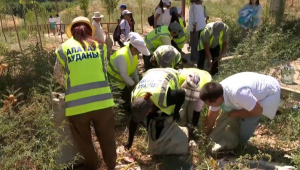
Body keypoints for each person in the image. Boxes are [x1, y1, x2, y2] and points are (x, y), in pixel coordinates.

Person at [55, 16, 116, 170]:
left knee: (84, 141)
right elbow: (104, 70)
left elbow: (57, 74)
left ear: (72, 30)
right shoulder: (99, 46)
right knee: (108, 139)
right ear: (90, 30)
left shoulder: (63, 48)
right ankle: (111, 166)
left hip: (77, 106)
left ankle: (92, 166)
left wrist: (70, 86)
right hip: (103, 103)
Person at [199, 72, 281, 147]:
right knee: (235, 113)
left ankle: (241, 146)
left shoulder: (238, 94)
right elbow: (211, 117)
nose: (209, 106)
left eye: (209, 104)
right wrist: (203, 136)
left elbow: (258, 110)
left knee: (247, 120)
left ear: (218, 99)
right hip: (252, 91)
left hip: (270, 92)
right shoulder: (216, 92)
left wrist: (237, 114)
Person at [124, 68, 186, 150]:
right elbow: (133, 121)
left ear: (150, 110)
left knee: (166, 115)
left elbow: (182, 93)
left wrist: (176, 112)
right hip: (151, 73)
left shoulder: (165, 97)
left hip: (169, 73)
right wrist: (129, 142)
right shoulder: (135, 98)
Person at [107, 32, 150, 113]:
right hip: (114, 83)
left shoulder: (133, 55)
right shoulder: (122, 56)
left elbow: (134, 69)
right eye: (139, 51)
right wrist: (133, 85)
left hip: (123, 82)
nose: (139, 53)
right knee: (125, 102)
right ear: (134, 48)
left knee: (131, 96)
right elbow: (124, 75)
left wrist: (138, 83)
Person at [178, 68, 212, 139]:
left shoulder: (204, 86)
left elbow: (197, 110)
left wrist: (193, 126)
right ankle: (180, 126)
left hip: (200, 87)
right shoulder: (180, 77)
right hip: (183, 90)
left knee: (192, 111)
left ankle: (190, 129)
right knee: (182, 109)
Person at [188, 0, 207, 65]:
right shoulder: (200, 6)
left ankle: (194, 58)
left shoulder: (194, 6)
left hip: (195, 27)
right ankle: (200, 56)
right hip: (201, 26)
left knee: (194, 43)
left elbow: (195, 17)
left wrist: (194, 26)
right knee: (200, 42)